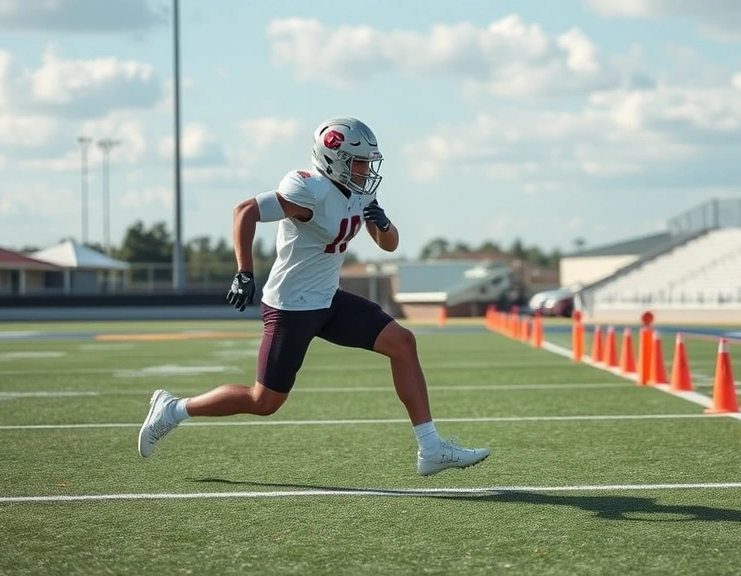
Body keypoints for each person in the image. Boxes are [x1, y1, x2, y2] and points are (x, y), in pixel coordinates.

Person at [138, 117, 489, 476]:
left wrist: (384, 224)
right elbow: (244, 212)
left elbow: (388, 245)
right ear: (333, 160)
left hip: (328, 299)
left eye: (368, 161)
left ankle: (430, 448)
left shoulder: (359, 188)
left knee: (402, 342)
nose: (366, 169)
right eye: (359, 162)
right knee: (265, 401)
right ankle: (174, 409)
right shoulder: (309, 189)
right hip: (291, 306)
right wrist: (244, 272)